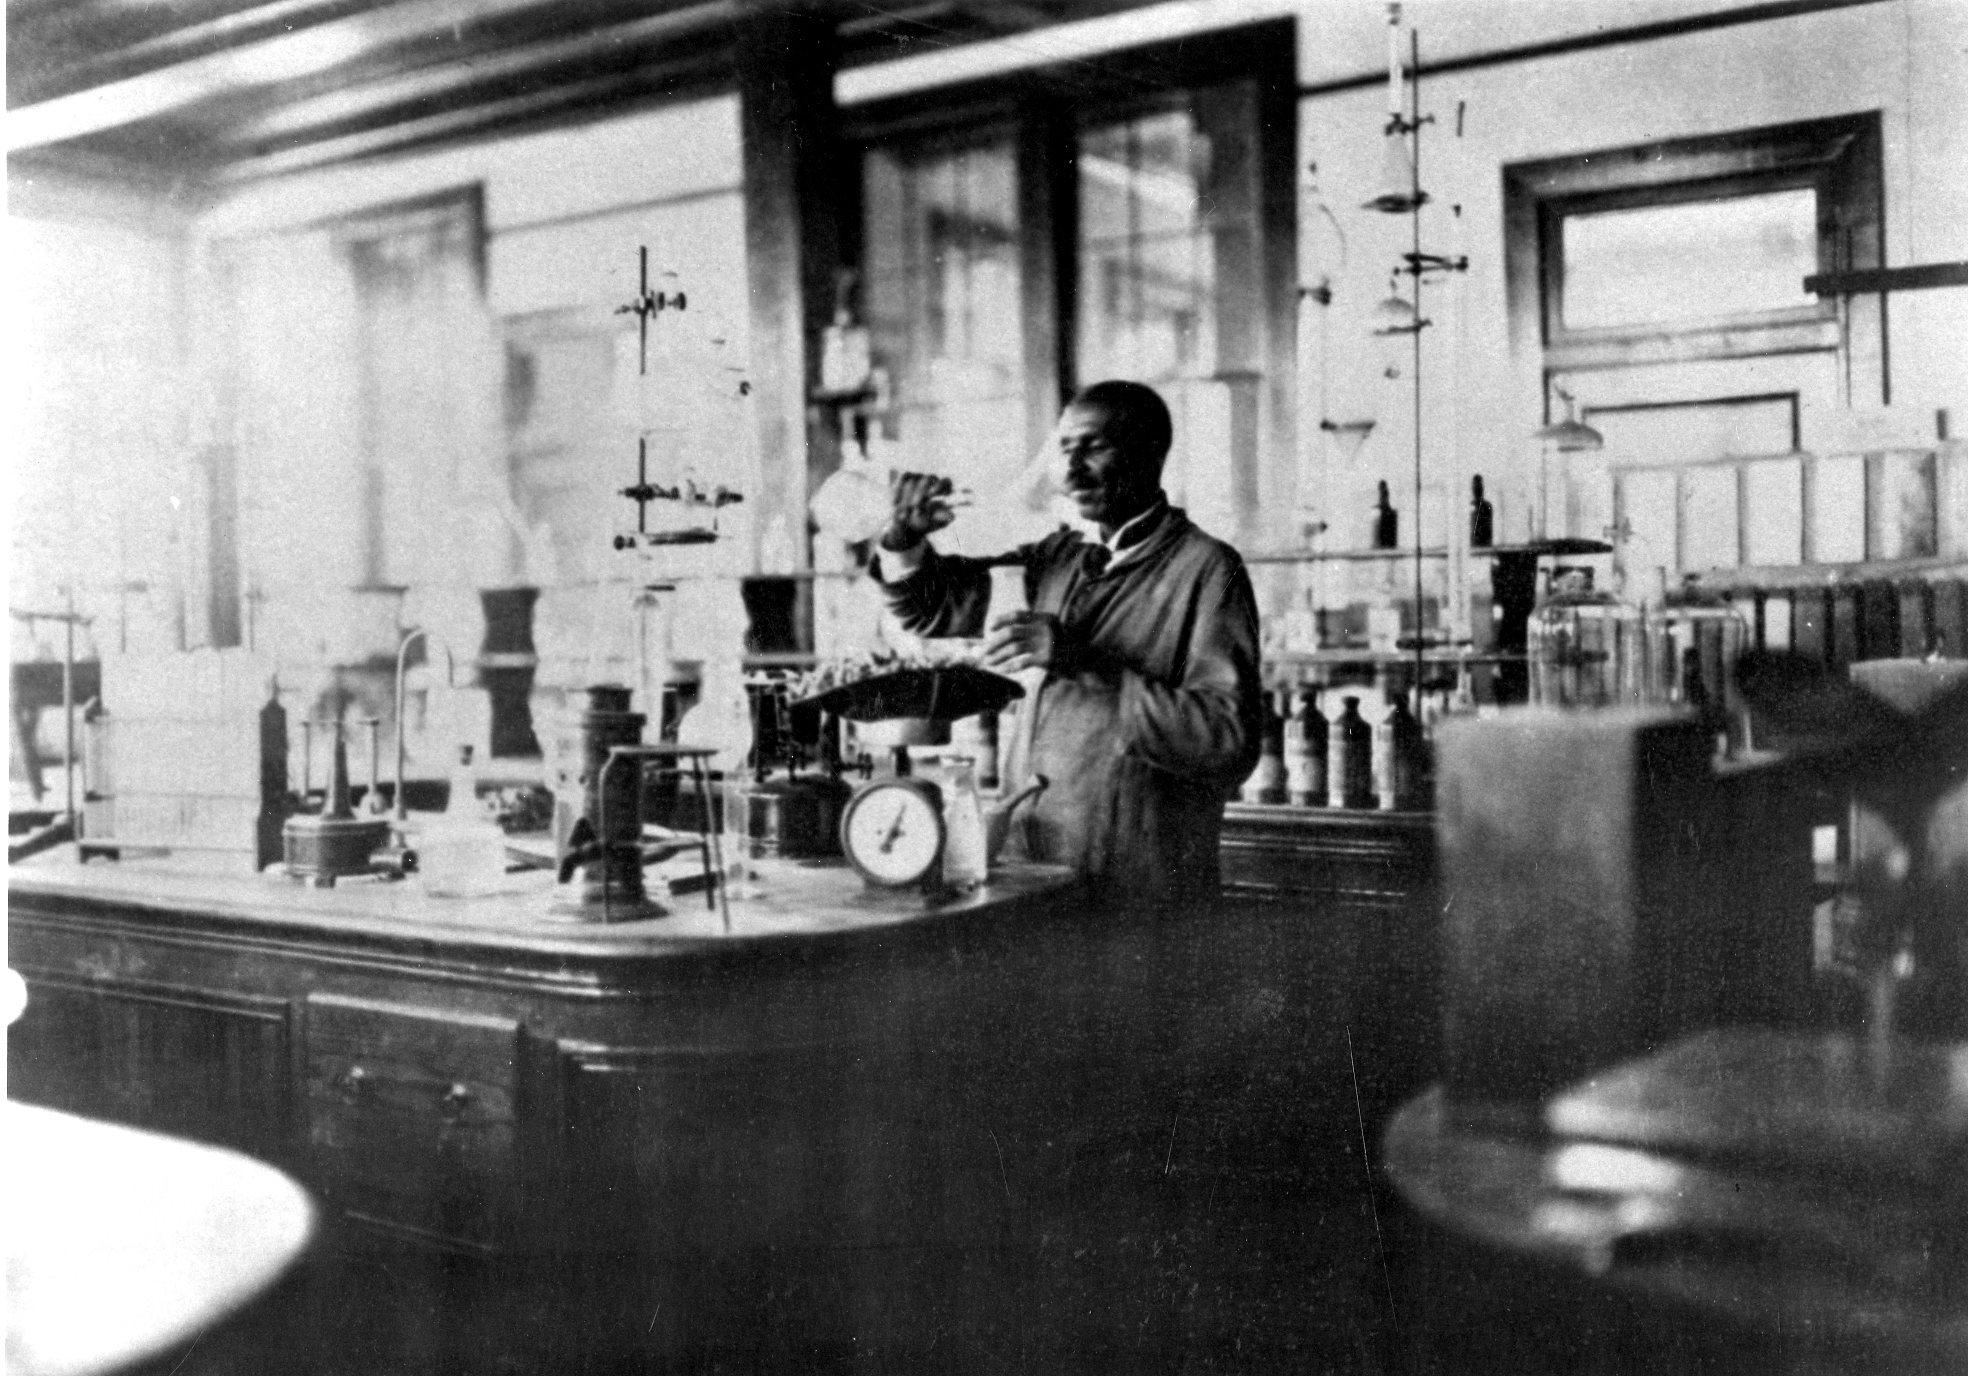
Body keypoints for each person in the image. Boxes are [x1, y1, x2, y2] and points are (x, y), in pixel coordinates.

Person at [875, 380, 1263, 907]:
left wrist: (1082, 660)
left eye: (1095, 447)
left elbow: (1226, 740)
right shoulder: (1060, 558)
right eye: (1065, 448)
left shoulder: (1208, 569)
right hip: (1035, 868)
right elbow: (933, 609)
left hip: (1139, 880)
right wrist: (903, 542)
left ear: (1152, 452)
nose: (1073, 470)